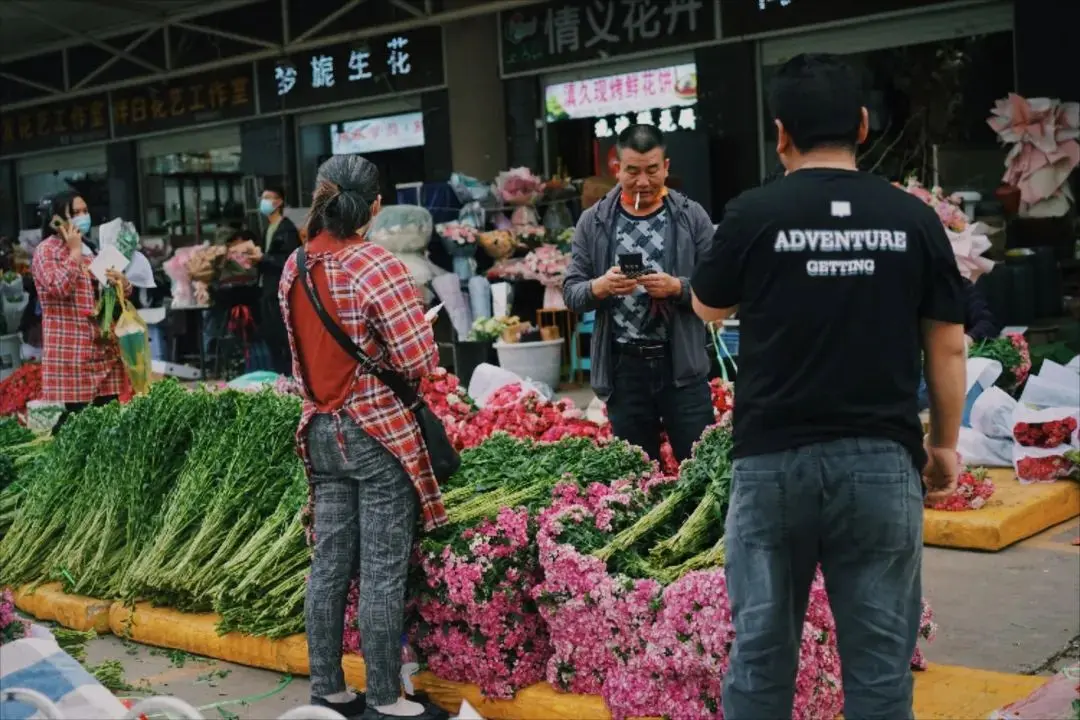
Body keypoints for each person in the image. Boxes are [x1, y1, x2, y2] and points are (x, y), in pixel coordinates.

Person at [690, 53, 966, 720]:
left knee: (759, 661)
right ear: (864, 126)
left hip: (771, 466)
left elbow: (707, 306)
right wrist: (946, 449)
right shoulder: (913, 219)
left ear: (780, 133)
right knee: (877, 669)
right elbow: (950, 343)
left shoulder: (753, 214)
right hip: (880, 465)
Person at [278, 155, 447, 720]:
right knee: (380, 570)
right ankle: (383, 699)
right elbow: (419, 358)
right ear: (374, 207)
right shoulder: (377, 266)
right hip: (376, 434)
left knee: (328, 566)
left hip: (320, 429)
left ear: (319, 197)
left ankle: (327, 689)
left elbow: (302, 359)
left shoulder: (294, 266)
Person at [563, 124, 715, 463]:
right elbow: (572, 293)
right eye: (632, 171)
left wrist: (678, 288)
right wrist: (599, 287)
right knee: (637, 477)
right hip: (624, 369)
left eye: (652, 170)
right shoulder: (594, 222)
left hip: (683, 367)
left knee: (701, 469)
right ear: (616, 168)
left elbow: (720, 288)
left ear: (666, 167)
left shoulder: (692, 218)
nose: (642, 182)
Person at [31, 191, 132, 430]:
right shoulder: (47, 251)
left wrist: (123, 283)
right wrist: (74, 253)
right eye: (75, 212)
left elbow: (113, 297)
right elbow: (58, 287)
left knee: (108, 417)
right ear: (56, 219)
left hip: (103, 349)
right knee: (80, 421)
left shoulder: (93, 250)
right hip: (72, 350)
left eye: (85, 211)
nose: (82, 217)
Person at [259, 186, 301, 375]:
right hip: (268, 289)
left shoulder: (287, 229)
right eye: (262, 198)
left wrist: (262, 259)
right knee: (272, 336)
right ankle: (280, 376)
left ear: (279, 202)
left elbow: (288, 261)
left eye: (268, 197)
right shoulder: (269, 228)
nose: (264, 201)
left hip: (280, 289)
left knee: (284, 336)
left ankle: (291, 376)